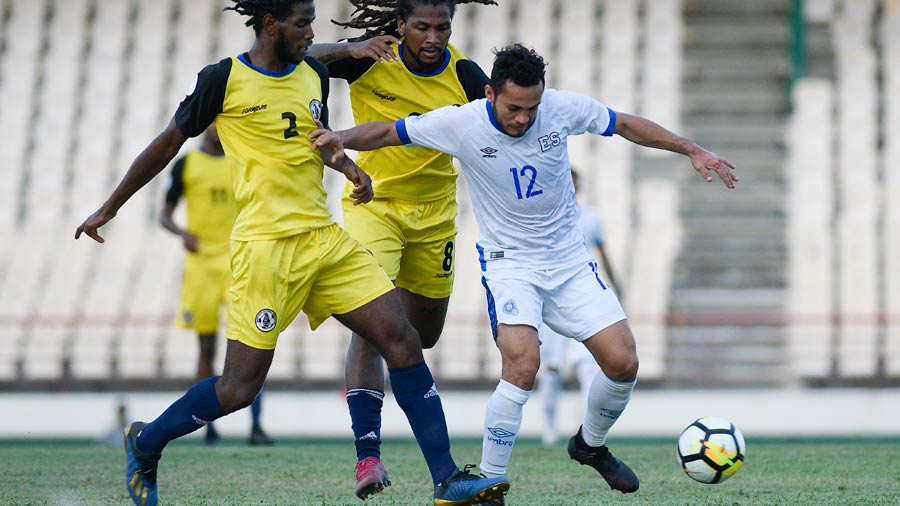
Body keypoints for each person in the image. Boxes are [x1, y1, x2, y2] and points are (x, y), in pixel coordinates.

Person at [74, 2, 509, 505]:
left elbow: (309, 137)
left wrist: (347, 167)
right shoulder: (224, 79)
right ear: (271, 25)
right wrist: (109, 207)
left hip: (325, 242)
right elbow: (167, 144)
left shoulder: (313, 74)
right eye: (303, 24)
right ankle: (146, 441)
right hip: (265, 251)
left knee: (402, 339)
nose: (311, 34)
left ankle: (448, 479)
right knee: (238, 389)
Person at [311, 43, 738, 499]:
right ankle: (489, 479)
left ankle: (590, 446)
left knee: (623, 362)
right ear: (491, 93)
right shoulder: (462, 121)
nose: (522, 119)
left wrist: (690, 149)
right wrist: (339, 138)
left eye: (531, 108)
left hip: (569, 261)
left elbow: (626, 124)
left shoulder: (559, 109)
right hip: (510, 264)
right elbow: (389, 133)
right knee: (523, 363)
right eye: (513, 108)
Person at [306, 0, 493, 497]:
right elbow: (299, 56)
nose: (433, 37)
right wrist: (350, 46)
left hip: (436, 217)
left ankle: (399, 375)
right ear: (401, 26)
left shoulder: (467, 75)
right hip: (374, 207)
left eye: (442, 27)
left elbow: (500, 124)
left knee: (421, 336)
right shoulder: (371, 59)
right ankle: (368, 455)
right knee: (375, 326)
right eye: (422, 27)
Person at [159, 124, 273, 446]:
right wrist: (183, 235)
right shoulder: (186, 165)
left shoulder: (244, 159)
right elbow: (164, 215)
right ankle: (206, 427)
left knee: (254, 343)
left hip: (242, 259)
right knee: (205, 348)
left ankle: (256, 427)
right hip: (202, 266)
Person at [538, 170, 620, 447]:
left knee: (588, 365)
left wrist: (615, 286)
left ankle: (589, 430)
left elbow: (602, 252)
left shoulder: (591, 217)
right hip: (550, 301)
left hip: (583, 301)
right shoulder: (543, 217)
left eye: (576, 182)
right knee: (551, 369)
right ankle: (549, 427)